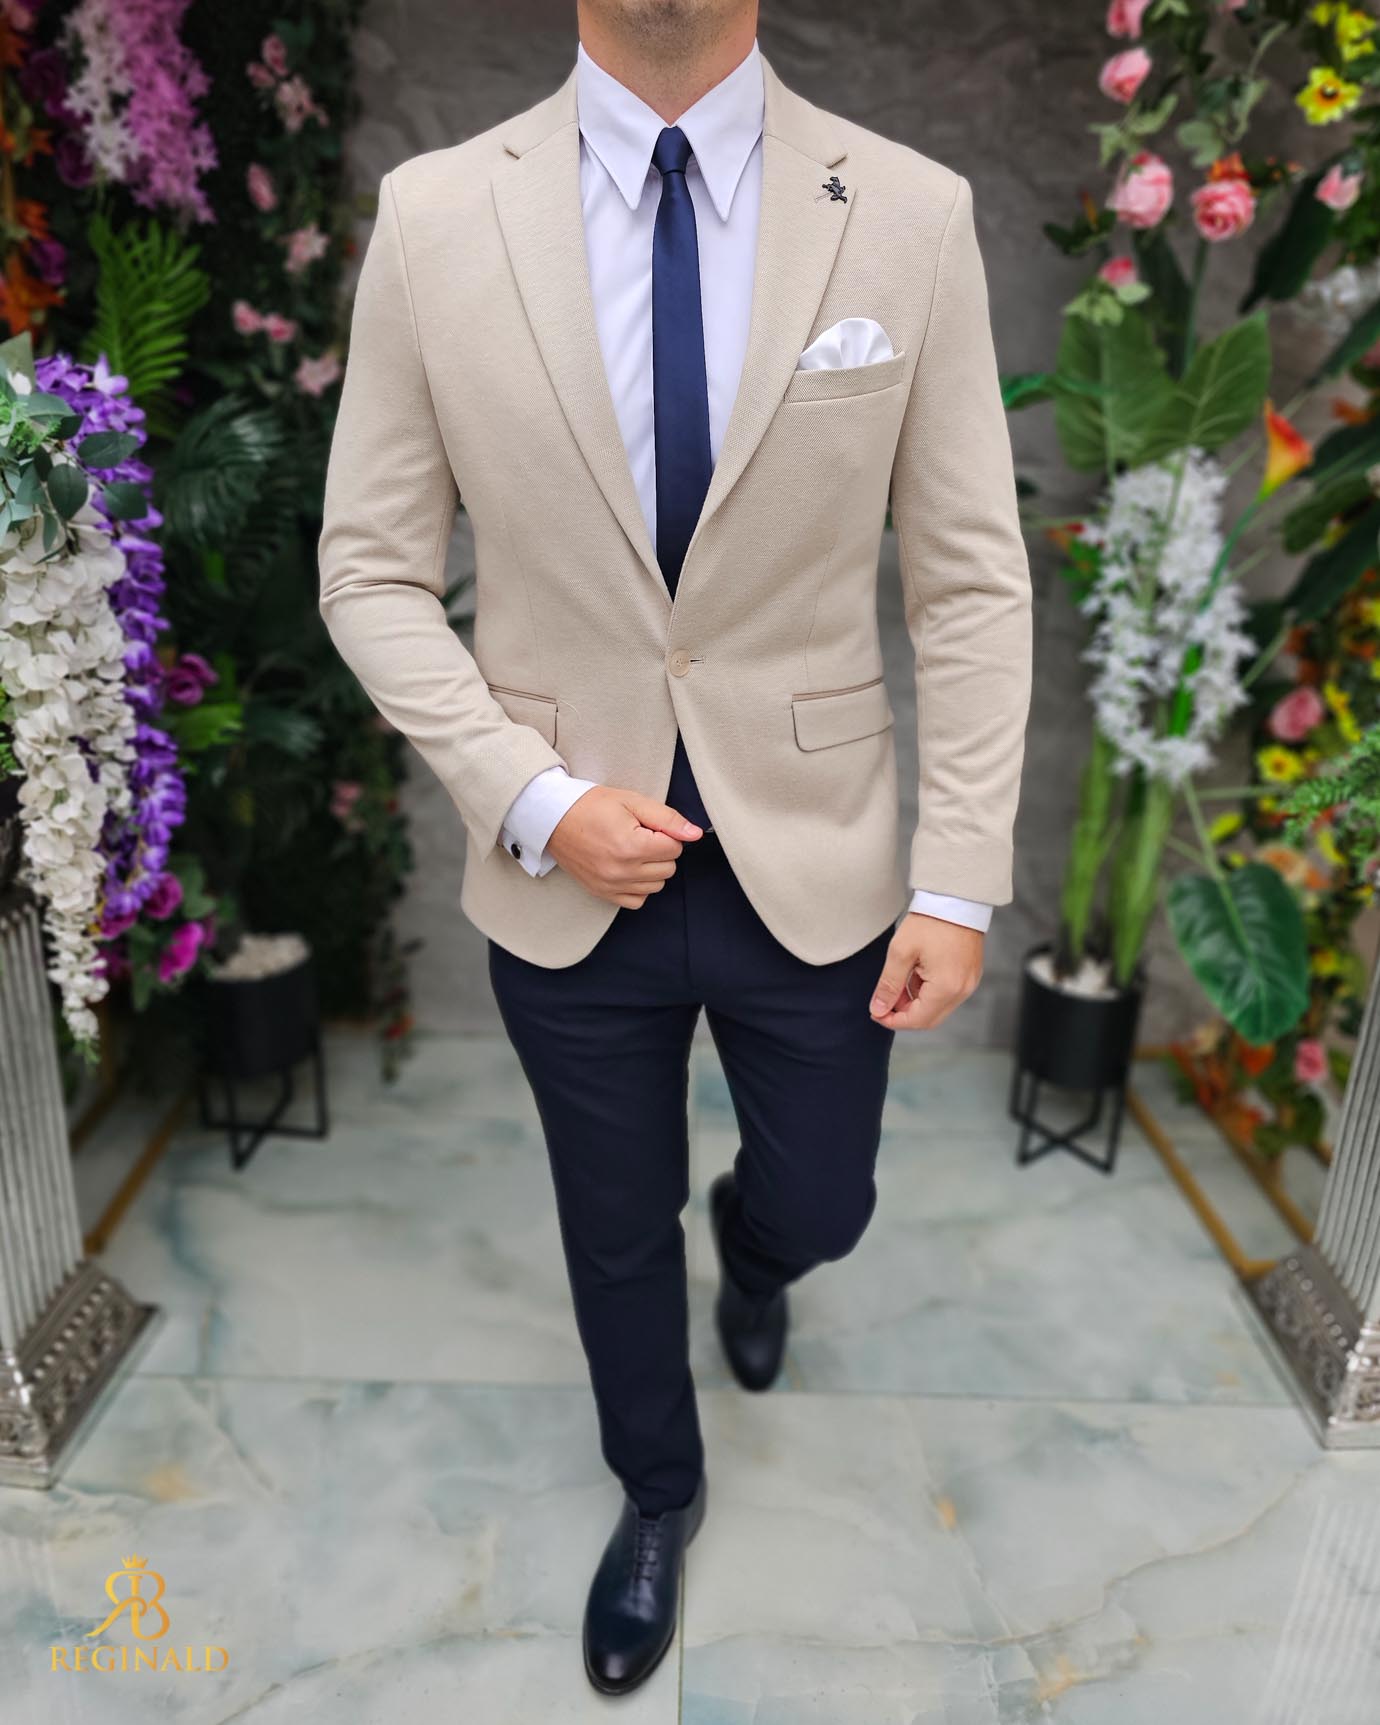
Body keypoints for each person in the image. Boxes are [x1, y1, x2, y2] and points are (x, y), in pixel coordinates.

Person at [319, 0, 1031, 1697]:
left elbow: (969, 580)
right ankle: (657, 1492)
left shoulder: (910, 211)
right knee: (613, 1225)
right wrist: (529, 794)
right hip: (567, 863)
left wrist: (957, 875)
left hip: (820, 849)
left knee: (825, 1196)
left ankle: (764, 1249)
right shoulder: (435, 215)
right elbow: (370, 570)